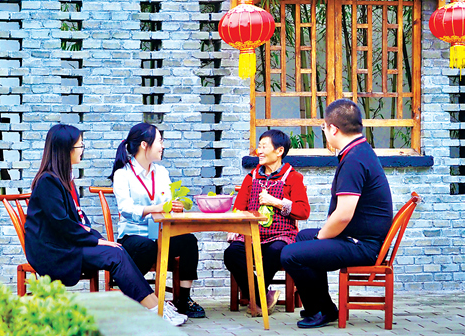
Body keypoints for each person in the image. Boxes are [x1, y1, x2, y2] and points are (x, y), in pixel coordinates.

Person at [24, 124, 187, 326]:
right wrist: (96, 241)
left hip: (68, 244)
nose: (82, 150)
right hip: (54, 251)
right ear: (65, 149)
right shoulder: (48, 182)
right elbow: (62, 224)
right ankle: (155, 309)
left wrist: (97, 239)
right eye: (80, 146)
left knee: (117, 250)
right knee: (115, 254)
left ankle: (155, 306)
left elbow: (77, 221)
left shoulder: (64, 179)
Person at [280, 99, 393, 329]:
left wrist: (321, 236)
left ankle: (320, 311)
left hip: (363, 245)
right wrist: (319, 236)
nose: (324, 132)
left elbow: (343, 215)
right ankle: (324, 307)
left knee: (290, 254)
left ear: (333, 129)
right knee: (302, 237)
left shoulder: (354, 160)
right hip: (359, 238)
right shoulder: (360, 151)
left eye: (324, 127)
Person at [109, 123, 205, 318]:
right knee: (147, 247)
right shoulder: (123, 174)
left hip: (161, 234)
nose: (163, 146)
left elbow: (167, 204)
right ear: (145, 145)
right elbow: (125, 209)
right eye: (160, 141)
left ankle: (183, 300)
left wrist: (174, 207)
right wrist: (155, 208)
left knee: (188, 241)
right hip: (133, 237)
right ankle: (139, 297)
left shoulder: (161, 172)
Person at [224, 129, 310, 316]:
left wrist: (276, 202)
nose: (259, 151)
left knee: (276, 251)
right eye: (259, 147)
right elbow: (239, 207)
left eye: (264, 147)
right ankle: (262, 296)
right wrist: (233, 226)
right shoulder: (251, 178)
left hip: (281, 235)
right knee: (231, 254)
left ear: (279, 151)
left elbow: (304, 211)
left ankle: (256, 298)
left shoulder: (293, 178)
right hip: (252, 234)